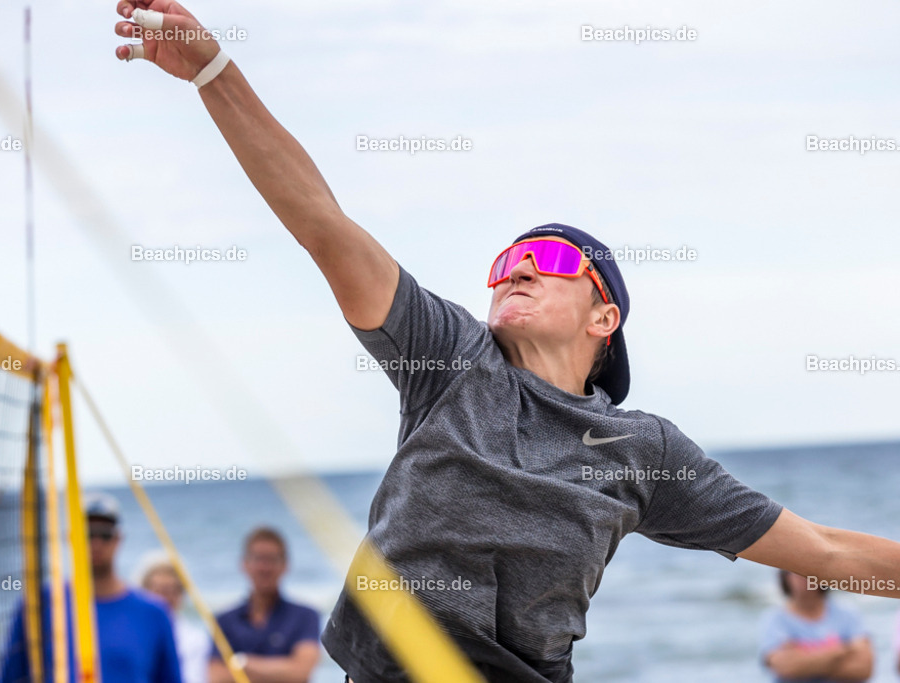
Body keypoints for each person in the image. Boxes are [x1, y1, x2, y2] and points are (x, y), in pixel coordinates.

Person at [111, 5, 900, 681]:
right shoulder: (450, 357)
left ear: (604, 319)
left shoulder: (640, 448)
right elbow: (323, 224)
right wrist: (215, 69)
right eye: (504, 263)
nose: (517, 268)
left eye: (550, 260)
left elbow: (827, 550)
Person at [0, 492, 182, 683]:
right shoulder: (40, 605)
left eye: (105, 534)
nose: (96, 543)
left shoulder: (154, 613)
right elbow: (11, 677)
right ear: (70, 538)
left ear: (118, 539)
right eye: (87, 534)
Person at [208, 527, 320, 683]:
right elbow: (216, 677)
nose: (264, 567)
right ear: (245, 564)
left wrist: (243, 662)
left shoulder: (305, 616)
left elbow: (301, 672)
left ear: (285, 565)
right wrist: (281, 670)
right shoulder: (224, 620)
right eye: (258, 559)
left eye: (271, 559)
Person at [760, 570, 872, 682]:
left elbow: (864, 668)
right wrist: (841, 651)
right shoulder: (775, 619)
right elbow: (785, 667)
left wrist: (802, 662)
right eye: (795, 571)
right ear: (785, 577)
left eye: (808, 571)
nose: (803, 578)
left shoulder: (848, 613)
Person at [141, 553, 211, 683]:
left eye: (171, 591)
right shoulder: (130, 632)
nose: (165, 598)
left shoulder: (195, 639)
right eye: (159, 591)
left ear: (181, 594)